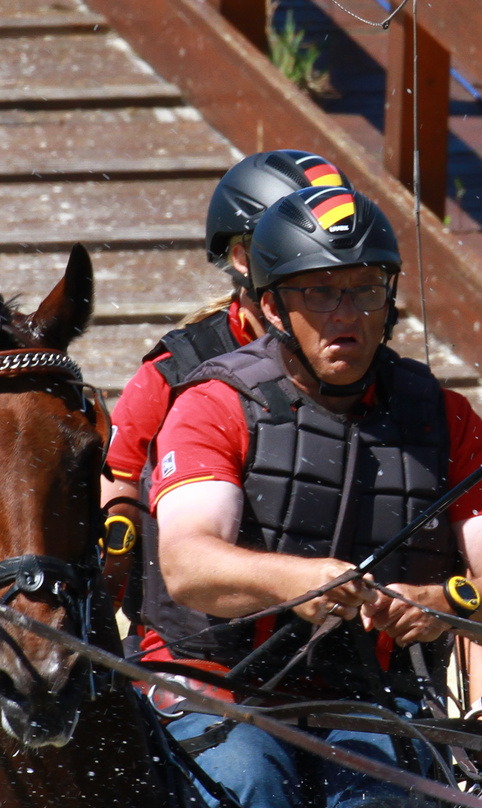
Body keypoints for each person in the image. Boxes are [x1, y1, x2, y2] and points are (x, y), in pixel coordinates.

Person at [144, 184, 482, 808]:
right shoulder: (215, 404)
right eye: (318, 294)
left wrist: (448, 603)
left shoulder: (448, 419)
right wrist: (301, 581)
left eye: (365, 290)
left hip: (368, 703)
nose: (346, 314)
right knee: (247, 789)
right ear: (271, 307)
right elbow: (188, 566)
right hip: (220, 691)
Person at [100, 150, 348, 619]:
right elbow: (112, 528)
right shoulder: (170, 376)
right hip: (195, 647)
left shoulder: (370, 370)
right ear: (242, 258)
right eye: (294, 249)